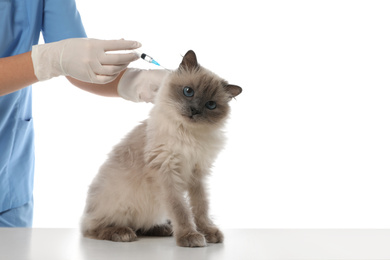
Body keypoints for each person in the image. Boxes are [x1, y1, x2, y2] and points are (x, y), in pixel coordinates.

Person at [0, 0, 167, 227]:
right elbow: (59, 58)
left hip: (8, 181)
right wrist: (47, 60)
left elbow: (78, 64)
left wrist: (133, 82)